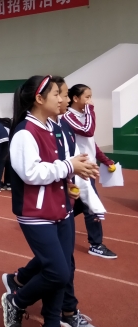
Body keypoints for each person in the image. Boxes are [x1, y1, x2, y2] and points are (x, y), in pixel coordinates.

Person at [1, 75, 98, 327]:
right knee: (57, 270)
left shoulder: (52, 127)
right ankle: (17, 301)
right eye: (58, 93)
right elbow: (31, 174)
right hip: (36, 212)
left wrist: (75, 172)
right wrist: (69, 167)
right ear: (39, 99)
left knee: (65, 269)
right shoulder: (24, 133)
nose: (63, 99)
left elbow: (62, 164)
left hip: (61, 208)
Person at [63, 84, 117, 259]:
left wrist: (105, 160)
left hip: (88, 168)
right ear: (75, 98)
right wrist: (91, 109)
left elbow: (90, 143)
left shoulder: (84, 116)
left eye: (91, 97)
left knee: (80, 204)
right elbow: (88, 131)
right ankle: (96, 244)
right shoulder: (68, 116)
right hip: (79, 168)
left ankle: (60, 220)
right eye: (87, 97)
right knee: (92, 206)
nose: (90, 101)